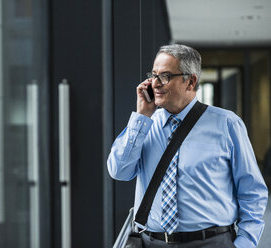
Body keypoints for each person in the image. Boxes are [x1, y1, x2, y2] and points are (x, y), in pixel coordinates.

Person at [107, 44, 268, 247]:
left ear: (190, 81)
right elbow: (118, 171)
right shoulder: (144, 126)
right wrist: (141, 117)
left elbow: (252, 192)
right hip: (152, 243)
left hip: (211, 242)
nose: (155, 83)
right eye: (153, 75)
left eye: (165, 76)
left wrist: (245, 243)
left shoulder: (227, 124)